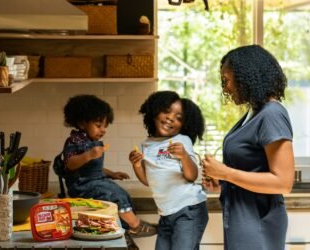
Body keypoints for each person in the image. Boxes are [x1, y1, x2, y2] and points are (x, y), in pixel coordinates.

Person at [201, 45, 295, 250]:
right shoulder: (254, 112)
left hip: (258, 221)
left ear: (246, 77)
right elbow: (251, 171)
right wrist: (221, 181)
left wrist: (226, 173)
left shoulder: (271, 114)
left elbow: (283, 182)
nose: (225, 87)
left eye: (226, 80)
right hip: (241, 218)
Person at [61, 94, 157, 240]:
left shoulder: (90, 140)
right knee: (115, 196)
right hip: (81, 185)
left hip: (94, 180)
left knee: (122, 193)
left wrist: (111, 173)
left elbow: (91, 168)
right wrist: (88, 155)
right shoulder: (74, 141)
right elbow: (69, 164)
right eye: (98, 125)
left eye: (105, 126)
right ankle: (135, 226)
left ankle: (125, 225)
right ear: (81, 123)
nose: (103, 130)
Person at [129, 91, 208, 250]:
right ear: (154, 112)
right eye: (166, 111)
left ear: (184, 124)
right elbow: (147, 180)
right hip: (166, 214)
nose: (171, 118)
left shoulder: (182, 141)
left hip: (188, 210)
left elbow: (192, 176)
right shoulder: (147, 144)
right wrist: (136, 165)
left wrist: (184, 156)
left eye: (179, 117)